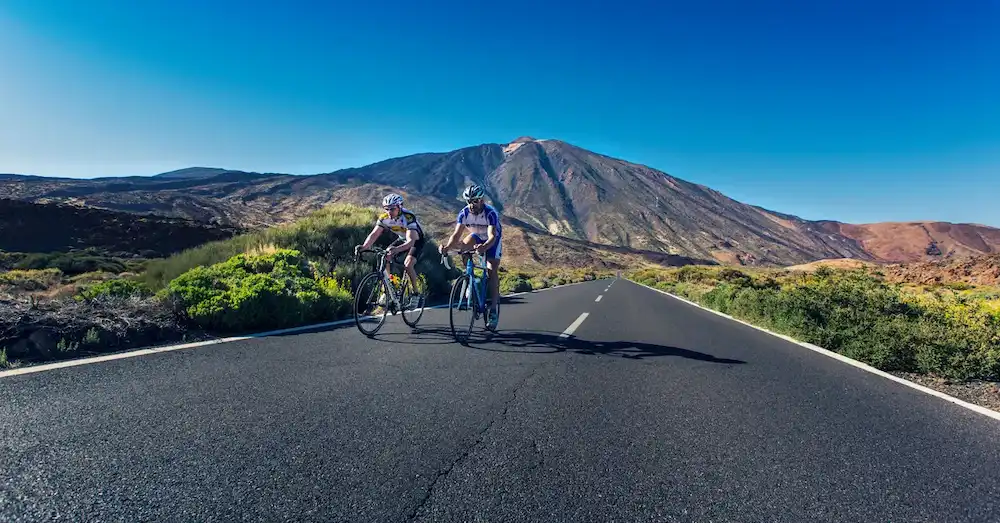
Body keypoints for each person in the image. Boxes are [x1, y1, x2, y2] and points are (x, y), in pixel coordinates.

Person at [439, 184, 502, 329]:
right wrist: (447, 248)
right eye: (468, 201)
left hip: (492, 240)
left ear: (481, 200)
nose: (471, 205)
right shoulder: (464, 213)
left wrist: (484, 247)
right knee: (462, 248)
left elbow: (492, 236)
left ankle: (493, 309)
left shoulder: (490, 213)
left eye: (474, 201)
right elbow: (456, 235)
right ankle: (470, 279)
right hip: (475, 236)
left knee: (492, 270)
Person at [355, 193, 425, 308]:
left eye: (392, 209)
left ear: (400, 207)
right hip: (402, 239)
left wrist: (396, 250)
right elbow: (374, 234)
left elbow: (411, 241)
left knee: (408, 264)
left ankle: (416, 293)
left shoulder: (408, 217)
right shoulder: (384, 218)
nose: (389, 212)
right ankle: (390, 287)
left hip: (416, 241)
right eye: (386, 209)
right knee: (386, 255)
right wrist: (364, 247)